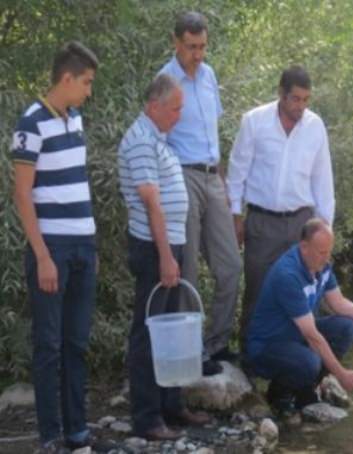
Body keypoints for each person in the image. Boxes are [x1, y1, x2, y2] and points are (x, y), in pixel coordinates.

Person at [12, 41, 99, 454]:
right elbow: (22, 196)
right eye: (85, 82)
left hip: (85, 245)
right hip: (53, 250)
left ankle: (78, 432)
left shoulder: (76, 117)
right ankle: (50, 437)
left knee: (77, 344)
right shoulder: (30, 122)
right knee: (49, 346)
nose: (88, 91)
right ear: (67, 78)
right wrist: (43, 256)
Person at [118, 74, 210, 441]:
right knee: (148, 332)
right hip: (153, 247)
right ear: (154, 106)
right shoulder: (141, 140)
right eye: (175, 109)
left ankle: (172, 405)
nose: (179, 115)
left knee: (171, 330)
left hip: (170, 243)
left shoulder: (160, 139)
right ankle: (147, 417)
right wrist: (165, 257)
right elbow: (151, 201)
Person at [227, 65, 335, 349]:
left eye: (305, 100)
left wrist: (326, 228)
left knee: (304, 292)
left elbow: (323, 181)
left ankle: (298, 365)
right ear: (281, 94)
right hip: (262, 221)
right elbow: (237, 171)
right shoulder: (254, 122)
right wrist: (235, 215)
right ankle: (250, 359)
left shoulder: (315, 127)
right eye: (295, 99)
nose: (300, 106)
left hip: (302, 222)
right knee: (257, 288)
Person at [245, 218, 353, 411]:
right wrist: (341, 374)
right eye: (322, 252)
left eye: (329, 251)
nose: (327, 258)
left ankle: (306, 389)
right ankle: (279, 394)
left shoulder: (322, 265)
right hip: (267, 347)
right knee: (310, 361)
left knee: (347, 327)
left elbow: (340, 303)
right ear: (304, 247)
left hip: (295, 335)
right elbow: (312, 336)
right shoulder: (287, 276)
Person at [159, 11, 241, 373]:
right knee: (188, 268)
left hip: (212, 176)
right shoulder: (165, 79)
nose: (198, 54)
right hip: (182, 176)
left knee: (230, 266)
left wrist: (223, 181)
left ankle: (217, 343)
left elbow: (213, 133)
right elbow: (157, 135)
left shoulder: (208, 75)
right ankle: (192, 353)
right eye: (191, 47)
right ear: (177, 43)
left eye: (203, 46)